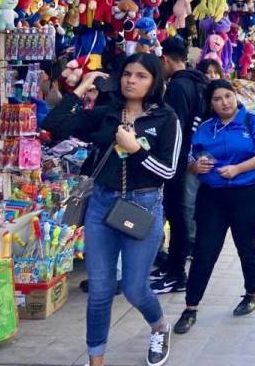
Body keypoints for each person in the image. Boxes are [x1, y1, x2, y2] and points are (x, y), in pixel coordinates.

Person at [43, 53, 181, 366]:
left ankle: (159, 326)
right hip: (102, 206)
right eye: (128, 74)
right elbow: (54, 125)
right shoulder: (106, 114)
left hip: (142, 206)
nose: (132, 80)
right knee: (101, 290)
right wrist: (84, 85)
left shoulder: (165, 118)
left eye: (141, 76)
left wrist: (135, 150)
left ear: (154, 82)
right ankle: (96, 360)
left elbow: (169, 171)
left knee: (134, 288)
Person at [174, 79, 255, 334]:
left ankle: (251, 293)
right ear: (211, 103)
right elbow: (188, 155)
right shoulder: (205, 127)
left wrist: (238, 169)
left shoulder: (252, 120)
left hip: (248, 193)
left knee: (246, 245)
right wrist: (194, 166)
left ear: (235, 96)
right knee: (204, 250)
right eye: (218, 99)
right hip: (212, 196)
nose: (224, 103)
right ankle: (190, 307)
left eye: (228, 96)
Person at [150, 37, 209, 295]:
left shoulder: (177, 87)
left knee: (177, 216)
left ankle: (176, 274)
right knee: (180, 215)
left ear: (165, 58)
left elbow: (173, 127)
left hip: (177, 159)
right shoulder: (198, 82)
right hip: (191, 157)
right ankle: (173, 269)